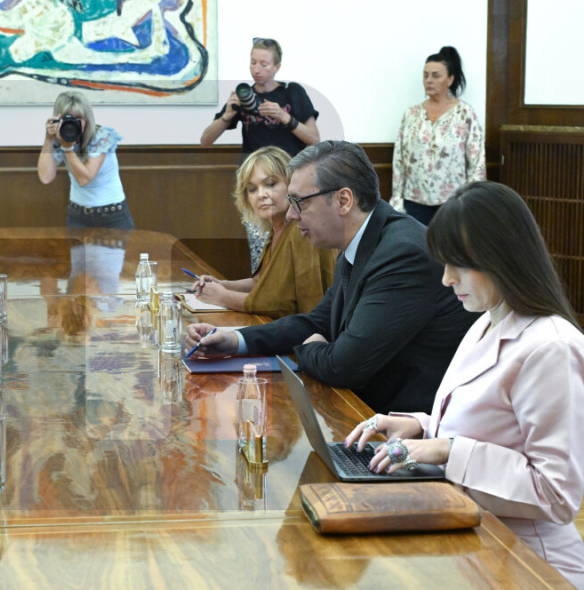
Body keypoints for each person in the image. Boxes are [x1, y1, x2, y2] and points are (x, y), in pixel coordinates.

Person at [345, 181, 584, 587]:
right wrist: (420, 427)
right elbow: (491, 431)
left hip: (530, 565)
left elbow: (556, 495)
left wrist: (445, 449)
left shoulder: (552, 347)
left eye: (459, 264)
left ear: (502, 257)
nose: (446, 279)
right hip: (474, 546)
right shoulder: (486, 321)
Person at [185, 140, 478, 414]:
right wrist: (235, 340)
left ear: (344, 200)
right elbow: (318, 322)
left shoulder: (401, 254)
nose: (291, 215)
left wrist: (310, 347)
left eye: (299, 202)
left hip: (409, 425)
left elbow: (343, 366)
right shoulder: (361, 241)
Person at [200, 37, 321, 273]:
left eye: (264, 64)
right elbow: (205, 140)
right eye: (253, 62)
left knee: (295, 246)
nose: (257, 69)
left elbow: (314, 138)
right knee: (260, 252)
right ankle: (262, 286)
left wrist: (285, 117)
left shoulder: (292, 93)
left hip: (289, 185)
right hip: (255, 187)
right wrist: (227, 114)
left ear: (277, 67)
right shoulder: (244, 96)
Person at [190, 146, 336, 318]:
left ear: (291, 185)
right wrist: (223, 285)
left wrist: (223, 296)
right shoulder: (276, 229)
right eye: (252, 189)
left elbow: (283, 303)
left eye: (270, 184)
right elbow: (261, 282)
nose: (261, 195)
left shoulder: (301, 229)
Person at [390, 46, 486, 225]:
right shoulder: (411, 114)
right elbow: (399, 159)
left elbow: (477, 164)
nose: (429, 80)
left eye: (436, 76)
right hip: (414, 202)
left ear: (450, 79)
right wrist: (397, 198)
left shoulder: (465, 114)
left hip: (453, 203)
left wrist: (473, 203)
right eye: (425, 75)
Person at [37, 91, 134, 229]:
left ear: (87, 119)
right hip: (78, 216)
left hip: (112, 215)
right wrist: (49, 138)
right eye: (66, 119)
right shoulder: (60, 139)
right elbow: (45, 177)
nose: (72, 124)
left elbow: (84, 179)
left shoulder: (101, 137)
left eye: (78, 118)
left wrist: (67, 148)